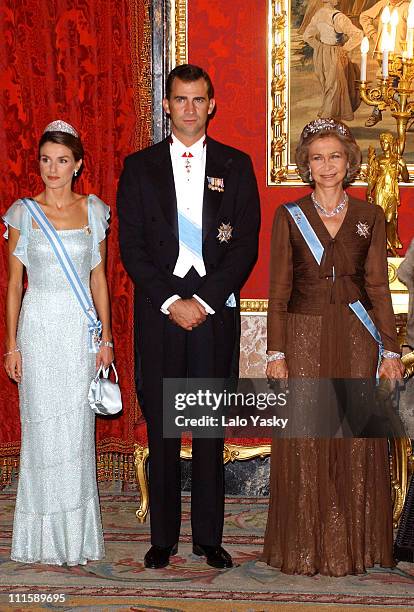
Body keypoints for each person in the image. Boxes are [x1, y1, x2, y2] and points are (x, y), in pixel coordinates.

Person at [117, 64, 260, 570]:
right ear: (167, 104)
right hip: (160, 313)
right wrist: (170, 301)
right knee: (162, 426)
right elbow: (130, 247)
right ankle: (163, 539)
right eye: (181, 100)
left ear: (213, 104)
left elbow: (244, 247)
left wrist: (201, 301)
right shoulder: (138, 166)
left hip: (213, 312)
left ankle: (208, 537)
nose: (190, 109)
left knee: (207, 429)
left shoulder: (237, 164)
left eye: (199, 100)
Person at [262, 117, 404, 576]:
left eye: (335, 156)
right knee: (309, 435)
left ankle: (355, 545)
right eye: (318, 157)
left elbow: (379, 287)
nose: (327, 165)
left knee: (354, 437)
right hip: (304, 337)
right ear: (307, 163)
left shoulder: (370, 217)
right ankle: (306, 542)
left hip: (357, 339)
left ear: (349, 162)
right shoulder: (289, 215)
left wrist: (390, 349)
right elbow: (279, 289)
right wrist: (277, 352)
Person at [3, 120, 113, 565]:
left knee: (75, 433)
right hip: (39, 326)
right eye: (46, 159)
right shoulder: (22, 213)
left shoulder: (95, 210)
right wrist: (11, 345)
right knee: (42, 430)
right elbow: (13, 285)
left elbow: (100, 279)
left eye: (62, 160)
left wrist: (105, 337)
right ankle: (39, 539)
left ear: (78, 165)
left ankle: (76, 539)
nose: (53, 168)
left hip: (79, 330)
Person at [303, 0, 363, 122]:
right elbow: (358, 34)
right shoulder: (339, 17)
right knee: (334, 87)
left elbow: (307, 36)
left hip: (322, 54)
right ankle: (328, 119)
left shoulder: (319, 14)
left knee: (330, 87)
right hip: (335, 54)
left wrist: (320, 47)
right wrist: (345, 49)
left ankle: (329, 119)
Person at [360, 0, 410, 126]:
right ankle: (407, 113)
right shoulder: (383, 4)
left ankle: (378, 112)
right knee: (386, 82)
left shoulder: (407, 7)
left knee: (392, 84)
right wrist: (373, 33)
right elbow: (364, 16)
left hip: (401, 55)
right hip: (383, 53)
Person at [366, 132, 409, 254]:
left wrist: (404, 166)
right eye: (382, 142)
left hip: (391, 192)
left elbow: (406, 178)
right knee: (380, 219)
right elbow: (373, 178)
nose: (384, 145)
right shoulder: (378, 160)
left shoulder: (397, 160)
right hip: (380, 191)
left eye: (386, 142)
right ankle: (383, 246)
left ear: (390, 144)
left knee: (390, 219)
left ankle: (391, 242)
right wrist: (369, 192)